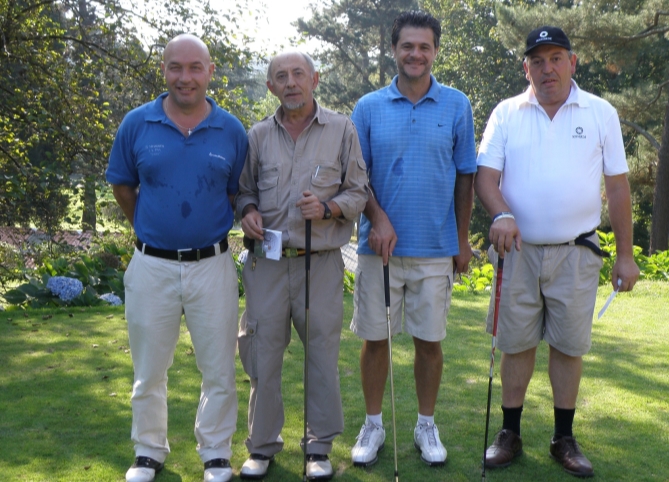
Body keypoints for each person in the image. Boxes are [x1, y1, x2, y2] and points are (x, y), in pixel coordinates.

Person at [475, 26, 640, 478]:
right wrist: (501, 214)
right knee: (516, 343)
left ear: (572, 62)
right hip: (518, 251)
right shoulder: (507, 112)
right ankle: (509, 432)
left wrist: (625, 255)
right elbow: (485, 178)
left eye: (555, 58)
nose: (547, 68)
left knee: (568, 346)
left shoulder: (600, 112)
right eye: (538, 61)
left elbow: (617, 186)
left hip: (576, 251)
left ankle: (563, 437)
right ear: (525, 68)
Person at [106, 34, 247, 482]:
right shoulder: (137, 124)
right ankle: (149, 451)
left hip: (213, 265)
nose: (184, 77)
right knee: (149, 369)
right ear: (164, 70)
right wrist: (152, 231)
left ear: (210, 71)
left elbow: (236, 193)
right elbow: (123, 186)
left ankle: (216, 453)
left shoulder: (231, 130)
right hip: (152, 266)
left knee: (219, 368)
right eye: (175, 67)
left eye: (194, 67)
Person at [349, 11, 477, 468]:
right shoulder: (367, 107)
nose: (415, 54)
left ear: (435, 51)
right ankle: (373, 423)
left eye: (424, 47)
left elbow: (466, 177)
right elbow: (356, 179)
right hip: (377, 251)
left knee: (429, 342)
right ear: (394, 50)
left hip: (435, 248)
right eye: (408, 46)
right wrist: (378, 218)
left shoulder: (457, 104)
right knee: (375, 338)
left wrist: (462, 242)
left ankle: (426, 423)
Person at [236, 51, 368, 480]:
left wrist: (328, 208)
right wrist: (249, 211)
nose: (290, 82)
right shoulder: (257, 136)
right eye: (280, 76)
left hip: (321, 265)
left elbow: (359, 192)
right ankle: (261, 447)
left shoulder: (342, 129)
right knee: (261, 355)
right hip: (267, 266)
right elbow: (243, 191)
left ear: (315, 79)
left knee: (322, 358)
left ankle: (318, 448)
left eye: (298, 74)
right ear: (270, 86)